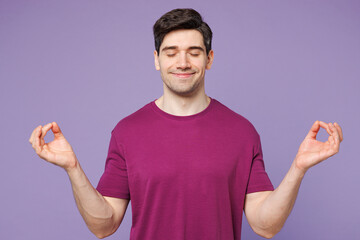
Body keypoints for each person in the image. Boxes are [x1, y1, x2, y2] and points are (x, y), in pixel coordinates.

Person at [29, 8, 343, 240]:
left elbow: (265, 225)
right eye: (171, 52)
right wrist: (72, 167)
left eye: (194, 52)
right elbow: (104, 225)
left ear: (209, 58)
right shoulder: (127, 132)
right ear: (156, 59)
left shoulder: (242, 132)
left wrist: (298, 168)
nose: (182, 62)